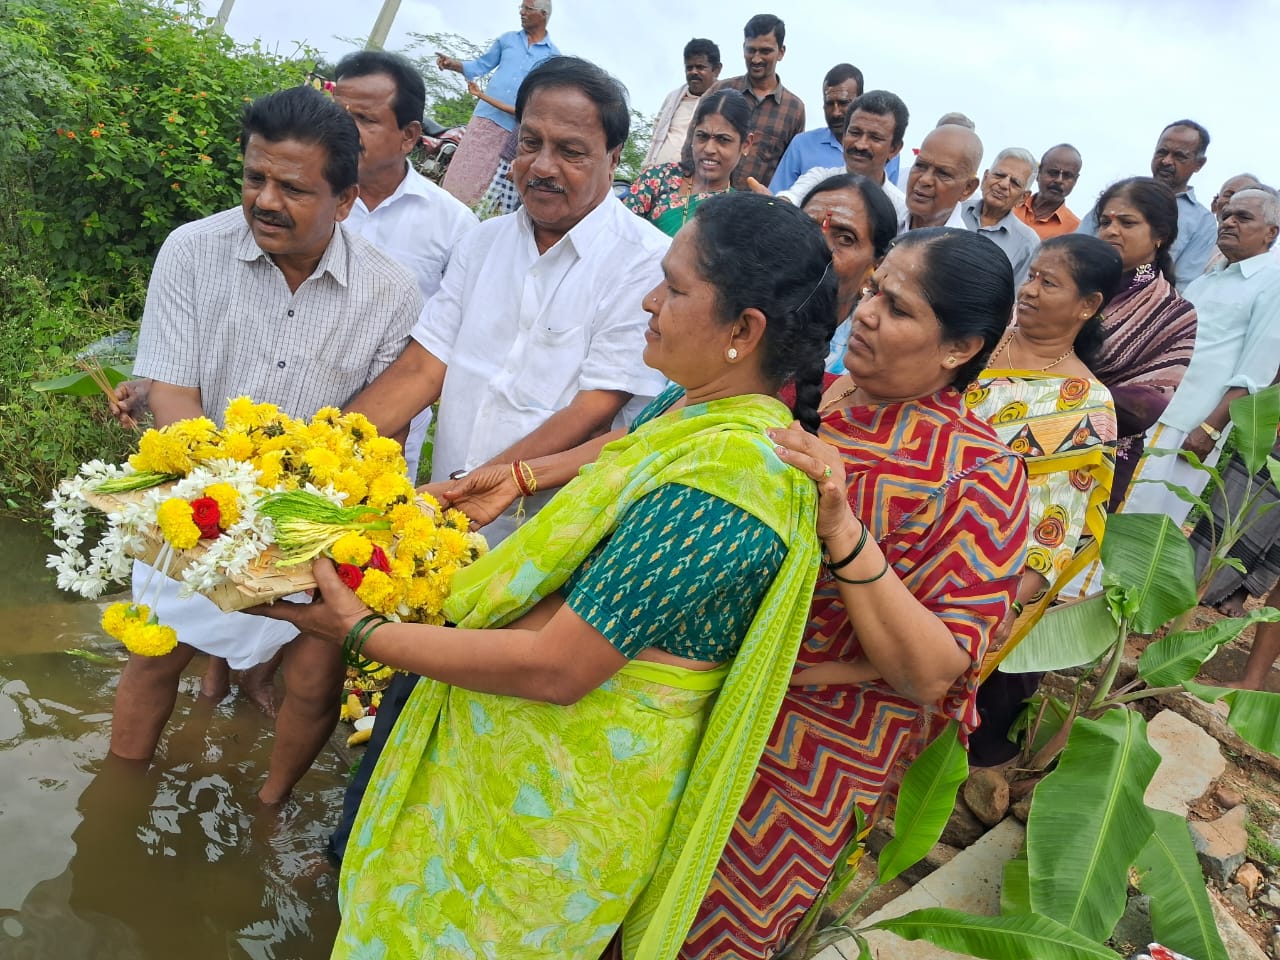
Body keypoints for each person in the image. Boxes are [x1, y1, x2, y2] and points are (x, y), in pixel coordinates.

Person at [253, 192, 837, 959]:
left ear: (744, 330)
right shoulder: (698, 414)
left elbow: (559, 667)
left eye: (676, 288)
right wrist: (523, 475)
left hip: (546, 825)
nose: (649, 301)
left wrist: (362, 631)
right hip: (504, 788)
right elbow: (630, 446)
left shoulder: (727, 487)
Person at [435, 229, 1031, 957]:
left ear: (959, 349)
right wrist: (526, 476)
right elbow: (654, 441)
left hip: (794, 757)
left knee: (696, 934)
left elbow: (932, 671)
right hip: (660, 704)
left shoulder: (980, 478)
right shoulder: (805, 386)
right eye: (873, 289)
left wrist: (841, 526)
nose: (867, 312)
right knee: (565, 900)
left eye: (899, 308)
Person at [327, 57, 671, 861]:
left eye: (572, 149)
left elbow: (596, 409)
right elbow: (422, 369)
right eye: (530, 142)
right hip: (443, 534)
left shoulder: (645, 263)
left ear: (614, 158)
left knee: (487, 730)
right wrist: (317, 459)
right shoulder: (483, 245)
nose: (543, 165)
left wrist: (485, 488)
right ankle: (355, 857)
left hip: (544, 555)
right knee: (400, 699)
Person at [110, 86, 423, 805]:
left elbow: (376, 435)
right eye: (255, 177)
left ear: (346, 201)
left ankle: (270, 809)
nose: (265, 201)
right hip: (199, 505)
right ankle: (115, 801)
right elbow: (175, 399)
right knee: (153, 658)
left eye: (294, 187)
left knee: (314, 682)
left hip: (313, 521)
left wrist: (298, 525)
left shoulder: (389, 292)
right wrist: (228, 508)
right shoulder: (192, 252)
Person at [966, 234, 1122, 766]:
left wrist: (1007, 603)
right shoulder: (975, 343)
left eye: (1047, 283)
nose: (1028, 290)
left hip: (977, 576)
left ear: (1088, 305)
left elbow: (1056, 525)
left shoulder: (1086, 404)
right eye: (1030, 275)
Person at [1120, 187, 1280, 529]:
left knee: (1139, 522)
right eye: (1226, 215)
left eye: (1244, 217)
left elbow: (1256, 371)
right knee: (1120, 510)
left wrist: (1210, 428)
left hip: (1187, 426)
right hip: (1152, 412)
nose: (1229, 222)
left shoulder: (1273, 282)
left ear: (1271, 232)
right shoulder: (1209, 279)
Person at [1084, 177, 1198, 510]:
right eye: (1106, 221)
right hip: (1015, 425)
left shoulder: (1173, 313)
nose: (1111, 230)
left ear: (1160, 235)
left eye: (1127, 222)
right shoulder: (1071, 280)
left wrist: (1060, 395)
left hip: (1099, 456)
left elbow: (1147, 402)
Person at [436, 0, 560, 205]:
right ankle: (442, 212)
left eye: (528, 9)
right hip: (484, 119)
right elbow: (479, 66)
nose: (522, 12)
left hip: (512, 130)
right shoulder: (508, 40)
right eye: (521, 8)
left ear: (543, 15)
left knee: (484, 185)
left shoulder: (552, 56)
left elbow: (544, 96)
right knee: (461, 172)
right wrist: (452, 64)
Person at [1075, 121, 1217, 292]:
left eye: (1179, 156)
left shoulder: (1202, 221)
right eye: (1162, 152)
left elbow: (1183, 284)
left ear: (1199, 164)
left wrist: (1137, 302)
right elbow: (1076, 249)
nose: (1166, 161)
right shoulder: (1120, 194)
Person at [681, 14, 805, 190]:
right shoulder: (720, 91)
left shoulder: (794, 109)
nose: (756, 59)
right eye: (751, 50)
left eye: (765, 51)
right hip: (704, 199)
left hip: (752, 210)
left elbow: (789, 169)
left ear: (781, 52)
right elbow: (690, 146)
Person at [797, 173, 899, 372]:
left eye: (845, 238)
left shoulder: (866, 364)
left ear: (875, 269)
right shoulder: (739, 317)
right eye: (805, 228)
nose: (815, 248)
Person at [777, 89, 910, 233]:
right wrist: (778, 206)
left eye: (875, 138)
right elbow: (791, 200)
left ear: (894, 149)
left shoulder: (900, 210)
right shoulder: (818, 179)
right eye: (855, 133)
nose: (860, 145)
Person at [623, 89, 752, 236]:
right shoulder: (658, 178)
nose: (709, 149)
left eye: (723, 140)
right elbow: (620, 233)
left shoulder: (739, 212)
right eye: (702, 136)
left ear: (746, 144)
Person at [768, 63, 863, 193]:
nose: (836, 112)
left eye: (843, 103)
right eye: (829, 104)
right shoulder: (802, 145)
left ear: (860, 101)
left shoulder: (880, 150)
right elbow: (777, 196)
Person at [961, 148, 1041, 285]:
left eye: (1015, 183)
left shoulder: (1027, 243)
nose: (1003, 185)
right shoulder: (954, 209)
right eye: (999, 175)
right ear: (985, 178)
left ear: (1023, 197)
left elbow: (1014, 298)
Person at [643, 38, 723, 168]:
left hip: (697, 178)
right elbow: (657, 129)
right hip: (656, 175)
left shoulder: (723, 101)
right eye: (689, 67)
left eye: (700, 67)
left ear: (717, 69)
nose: (693, 72)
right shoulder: (673, 98)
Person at [905, 123, 982, 230]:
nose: (924, 179)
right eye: (920, 165)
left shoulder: (961, 246)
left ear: (968, 188)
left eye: (943, 173)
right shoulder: (881, 215)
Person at [1015, 144, 1083, 239]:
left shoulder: (1075, 231)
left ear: (1075, 180)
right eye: (1053, 172)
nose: (1059, 180)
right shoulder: (1010, 204)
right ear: (1039, 173)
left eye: (1067, 175)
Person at [1202, 173, 1266, 273]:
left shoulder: (1268, 262)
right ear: (1215, 203)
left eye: (1246, 195)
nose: (1235, 200)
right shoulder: (1195, 237)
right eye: (1229, 195)